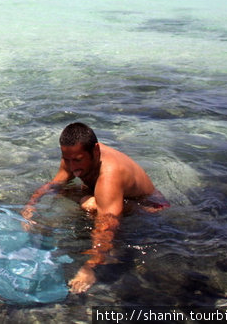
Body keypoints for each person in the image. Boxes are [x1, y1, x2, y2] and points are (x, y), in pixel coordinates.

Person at [21, 122, 168, 294]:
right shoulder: (73, 153)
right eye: (67, 159)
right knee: (66, 192)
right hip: (112, 197)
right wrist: (31, 206)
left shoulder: (110, 175)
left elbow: (108, 224)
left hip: (150, 207)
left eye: (77, 160)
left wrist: (91, 265)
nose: (72, 166)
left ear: (95, 151)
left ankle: (112, 252)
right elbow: (56, 183)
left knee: (91, 206)